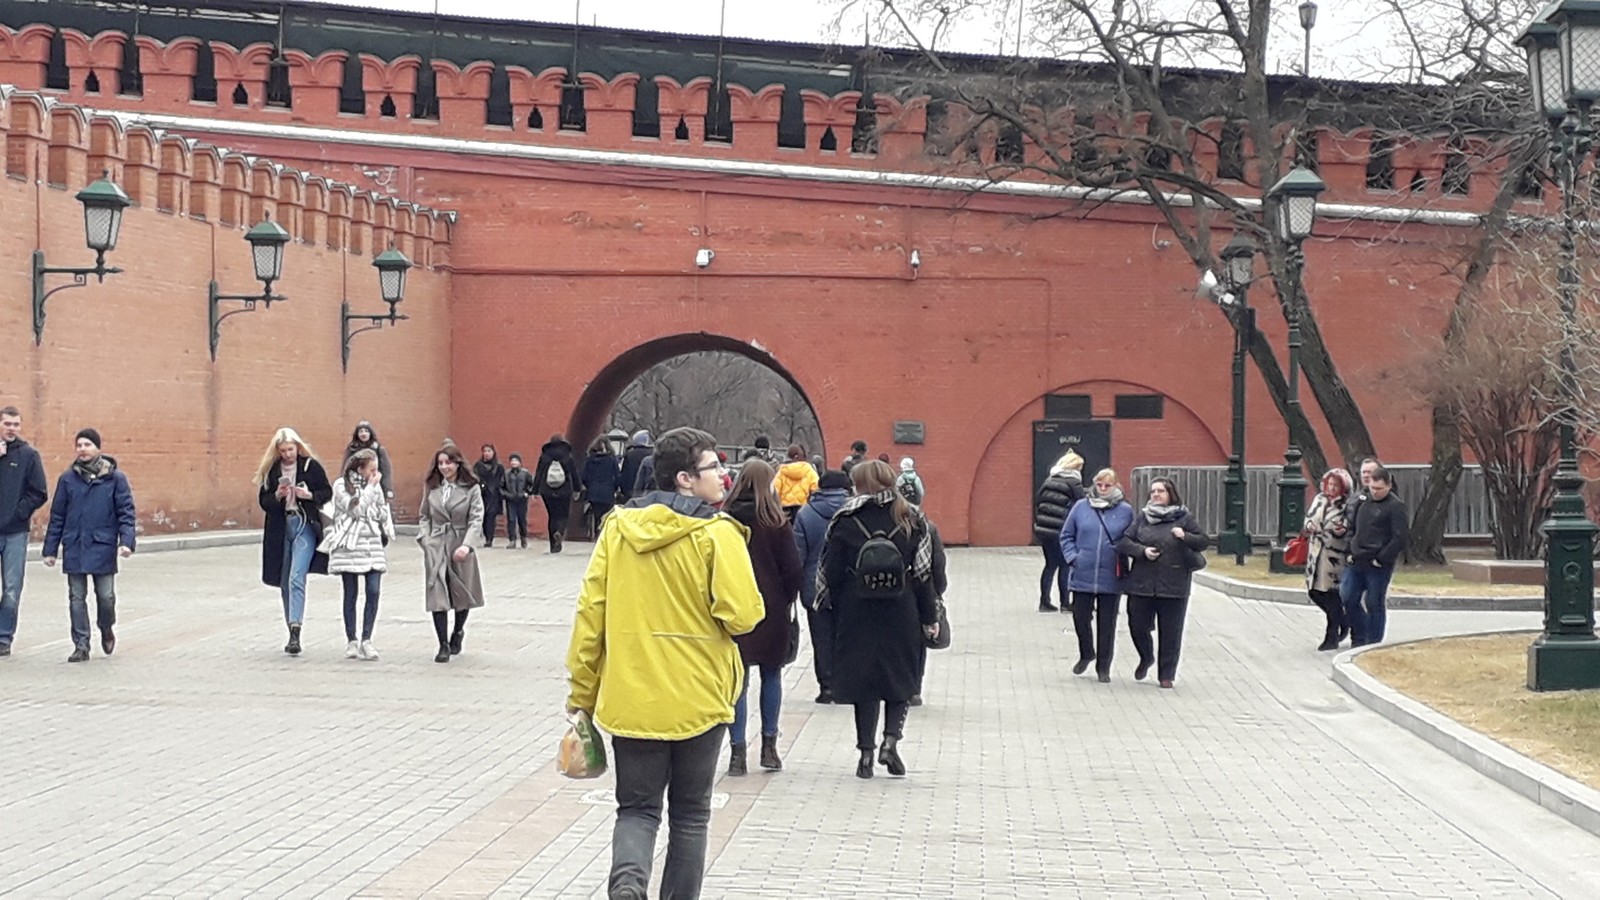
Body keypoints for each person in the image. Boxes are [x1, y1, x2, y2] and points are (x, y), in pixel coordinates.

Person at [564, 426, 764, 900]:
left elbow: (590, 615)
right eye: (713, 467)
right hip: (700, 699)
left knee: (636, 810)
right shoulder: (718, 534)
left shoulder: (617, 529)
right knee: (691, 814)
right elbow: (743, 616)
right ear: (684, 479)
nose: (724, 474)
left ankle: (628, 887)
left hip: (632, 699)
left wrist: (582, 695)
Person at [817, 459, 940, 779]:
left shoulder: (845, 519)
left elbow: (830, 572)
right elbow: (924, 573)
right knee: (899, 678)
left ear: (858, 484)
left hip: (857, 612)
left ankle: (866, 755)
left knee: (865, 684)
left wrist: (833, 607)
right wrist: (930, 616)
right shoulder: (912, 517)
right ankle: (890, 741)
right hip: (902, 610)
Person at [722, 458, 804, 776]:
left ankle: (737, 753)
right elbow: (794, 570)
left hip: (734, 608)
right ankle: (769, 747)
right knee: (772, 676)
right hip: (771, 611)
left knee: (737, 682)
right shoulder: (777, 523)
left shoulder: (725, 521)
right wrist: (785, 599)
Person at [42, 428, 135, 662]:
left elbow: (125, 512)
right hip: (75, 546)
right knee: (76, 597)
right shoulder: (67, 479)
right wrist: (50, 550)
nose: (83, 449)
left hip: (102, 545)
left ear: (97, 448)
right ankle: (81, 644)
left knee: (106, 596)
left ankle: (106, 627)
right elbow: (58, 516)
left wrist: (126, 542)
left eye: (87, 445)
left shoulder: (115, 478)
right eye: (79, 445)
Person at [1115, 478, 1210, 689]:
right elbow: (1123, 542)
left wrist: (1184, 536)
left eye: (1160, 491)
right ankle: (1146, 656)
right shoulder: (1143, 517)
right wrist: (1142, 551)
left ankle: (1166, 675)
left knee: (1171, 633)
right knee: (1137, 625)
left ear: (1170, 494)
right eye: (1153, 492)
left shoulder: (1183, 517)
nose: (1156, 495)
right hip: (1142, 583)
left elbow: (1203, 541)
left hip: (1174, 584)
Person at [255, 427, 333, 656]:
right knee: (285, 579)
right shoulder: (272, 470)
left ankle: (296, 630)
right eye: (283, 451)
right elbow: (264, 501)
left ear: (298, 447)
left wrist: (308, 495)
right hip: (281, 527)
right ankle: (291, 628)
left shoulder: (310, 466)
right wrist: (278, 495)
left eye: (291, 449)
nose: (288, 455)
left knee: (296, 576)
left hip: (304, 526)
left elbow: (326, 492)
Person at [1059, 468, 1133, 683]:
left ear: (1116, 486)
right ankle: (1086, 653)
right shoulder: (1081, 507)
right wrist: (1073, 557)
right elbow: (1066, 535)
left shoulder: (1126, 511)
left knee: (1107, 624)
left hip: (1111, 574)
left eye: (1107, 485)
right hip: (1083, 572)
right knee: (1080, 618)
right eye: (1099, 485)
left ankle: (1104, 666)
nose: (1102, 489)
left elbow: (1132, 538)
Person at [419, 443, 485, 663]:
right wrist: (425, 538)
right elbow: (424, 516)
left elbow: (476, 518)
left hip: (460, 541)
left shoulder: (471, 488)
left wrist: (467, 545)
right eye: (440, 463)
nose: (444, 467)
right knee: (437, 592)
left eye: (448, 462)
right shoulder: (432, 487)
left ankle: (457, 631)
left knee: (462, 593)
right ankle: (442, 644)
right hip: (436, 544)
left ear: (458, 463)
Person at [324, 449, 392, 661]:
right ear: (360, 469)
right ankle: (352, 639)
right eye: (371, 469)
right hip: (350, 546)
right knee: (350, 593)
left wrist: (381, 513)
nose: (375, 474)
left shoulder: (375, 486)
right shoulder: (340, 486)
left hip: (371, 544)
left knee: (373, 591)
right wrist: (371, 489)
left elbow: (381, 510)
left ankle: (367, 639)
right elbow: (355, 509)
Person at [794, 469, 851, 703]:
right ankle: (846, 684)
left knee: (822, 638)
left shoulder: (806, 514)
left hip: (814, 585)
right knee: (846, 636)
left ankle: (827, 687)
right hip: (848, 585)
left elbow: (798, 555)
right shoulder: (852, 511)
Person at [1343, 465, 1409, 648]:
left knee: (1374, 601)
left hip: (1378, 563)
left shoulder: (1396, 506)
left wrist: (1382, 558)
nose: (1375, 492)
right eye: (1372, 487)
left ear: (1388, 485)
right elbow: (1352, 526)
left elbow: (1400, 536)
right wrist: (1349, 549)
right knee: (1347, 597)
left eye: (1379, 489)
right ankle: (1359, 635)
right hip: (1356, 559)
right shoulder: (1362, 501)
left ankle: (1373, 642)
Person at [0, 406, 47, 657]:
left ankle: (3, 637)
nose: (12, 429)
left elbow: (39, 491)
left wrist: (18, 513)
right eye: (8, 424)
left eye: (16, 424)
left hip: (15, 533)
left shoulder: (28, 455)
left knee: (11, 587)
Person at [1304, 468, 1353, 652]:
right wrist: (1309, 525)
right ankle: (1343, 620)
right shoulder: (1319, 500)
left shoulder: (1348, 504)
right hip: (1315, 553)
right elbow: (1309, 518)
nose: (1331, 488)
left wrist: (1340, 530)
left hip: (1334, 554)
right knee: (1314, 592)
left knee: (1330, 594)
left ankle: (1332, 635)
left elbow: (1349, 525)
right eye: (1329, 484)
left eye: (1336, 485)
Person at [1033, 451, 1085, 613]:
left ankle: (1044, 601)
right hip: (1062, 530)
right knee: (1065, 565)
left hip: (1044, 529)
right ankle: (1065, 602)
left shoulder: (1049, 480)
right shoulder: (1074, 482)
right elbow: (1081, 505)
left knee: (1050, 565)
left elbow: (1038, 501)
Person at [535, 433, 580, 553]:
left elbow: (539, 473)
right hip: (564, 490)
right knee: (563, 515)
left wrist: (534, 490)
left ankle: (553, 546)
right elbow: (574, 473)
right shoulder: (567, 456)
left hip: (547, 490)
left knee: (552, 516)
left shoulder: (545, 456)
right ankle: (559, 532)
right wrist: (577, 489)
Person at [342, 421, 394, 499]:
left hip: (374, 485)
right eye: (361, 431)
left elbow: (386, 470)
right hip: (355, 484)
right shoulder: (352, 449)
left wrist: (387, 489)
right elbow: (345, 468)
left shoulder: (379, 449)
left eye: (366, 431)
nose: (363, 434)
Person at [581, 436, 622, 535]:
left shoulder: (590, 459)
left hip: (593, 492)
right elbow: (617, 476)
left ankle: (595, 531)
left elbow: (584, 476)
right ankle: (604, 533)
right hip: (607, 491)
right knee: (606, 514)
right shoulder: (612, 459)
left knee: (596, 514)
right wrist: (615, 488)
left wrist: (589, 486)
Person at [773, 443, 818, 519]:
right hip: (804, 509)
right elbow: (816, 489)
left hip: (784, 510)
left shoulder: (781, 472)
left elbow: (775, 491)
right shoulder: (809, 470)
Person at [473, 444, 506, 547]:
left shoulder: (499, 466)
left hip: (494, 495)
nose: (486, 453)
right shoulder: (478, 466)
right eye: (484, 451)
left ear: (493, 452)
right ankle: (486, 535)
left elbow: (502, 479)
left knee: (491, 516)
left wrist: (499, 488)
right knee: (483, 516)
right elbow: (474, 477)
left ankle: (489, 539)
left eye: (489, 451)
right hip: (482, 494)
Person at [501, 453, 534, 549]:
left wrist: (527, 493)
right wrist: (506, 495)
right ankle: (512, 540)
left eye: (516, 460)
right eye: (512, 460)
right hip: (510, 500)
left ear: (520, 462)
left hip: (522, 500)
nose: (514, 462)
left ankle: (523, 538)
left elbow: (531, 484)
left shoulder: (525, 473)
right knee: (511, 520)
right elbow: (501, 487)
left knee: (522, 520)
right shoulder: (506, 474)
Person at [618, 430, 652, 501]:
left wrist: (625, 491)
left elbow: (626, 474)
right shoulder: (652, 455)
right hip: (649, 493)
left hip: (631, 492)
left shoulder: (630, 455)